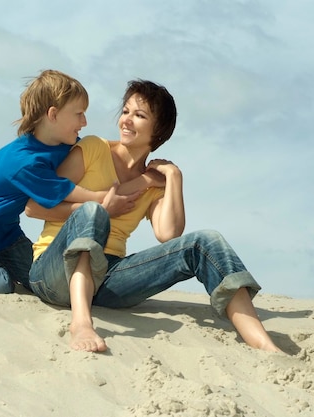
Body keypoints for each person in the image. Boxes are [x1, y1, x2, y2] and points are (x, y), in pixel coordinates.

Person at [25, 79, 283, 353]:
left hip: (106, 279)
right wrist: (107, 204)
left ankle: (263, 344)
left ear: (158, 130)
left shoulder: (155, 180)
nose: (126, 121)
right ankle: (81, 324)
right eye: (125, 111)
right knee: (93, 211)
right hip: (53, 271)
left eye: (139, 115)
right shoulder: (92, 148)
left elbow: (168, 234)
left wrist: (174, 177)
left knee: (206, 241)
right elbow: (35, 207)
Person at [0, 69, 124, 295]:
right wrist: (106, 200)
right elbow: (68, 191)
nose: (84, 121)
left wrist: (134, 150)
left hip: (5, 236)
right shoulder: (25, 162)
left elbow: (99, 146)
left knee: (41, 281)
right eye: (79, 113)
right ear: (53, 114)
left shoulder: (61, 144)